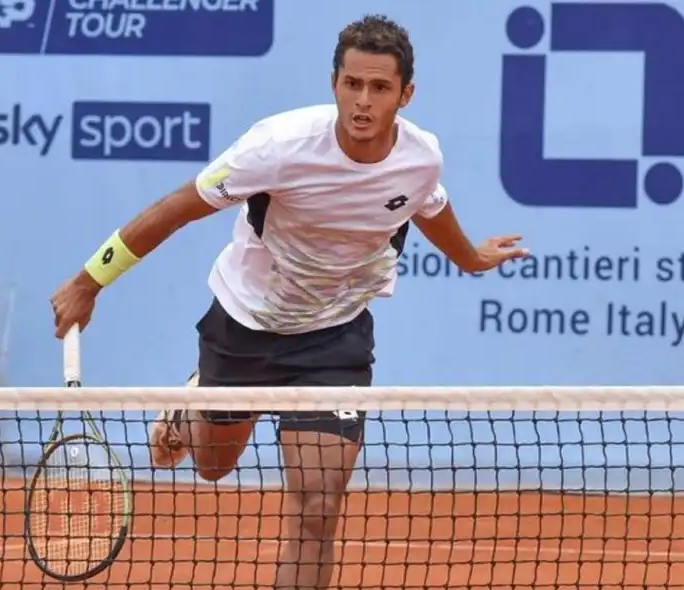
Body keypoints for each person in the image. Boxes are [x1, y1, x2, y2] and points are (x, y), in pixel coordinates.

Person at [50, 14, 528, 589]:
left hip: (335, 337)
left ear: (405, 94)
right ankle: (190, 404)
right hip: (245, 325)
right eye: (352, 84)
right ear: (334, 84)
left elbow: (427, 204)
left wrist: (471, 258)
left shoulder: (422, 157)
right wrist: (89, 280)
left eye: (379, 88)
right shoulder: (277, 147)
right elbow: (178, 207)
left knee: (318, 508)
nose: (363, 101)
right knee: (211, 467)